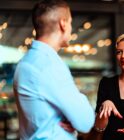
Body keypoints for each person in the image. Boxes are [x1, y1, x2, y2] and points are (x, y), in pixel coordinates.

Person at [13, 0, 95, 139]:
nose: (70, 27)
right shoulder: (49, 65)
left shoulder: (25, 62)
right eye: (70, 22)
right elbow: (86, 121)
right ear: (63, 24)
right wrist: (77, 111)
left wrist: (71, 118)